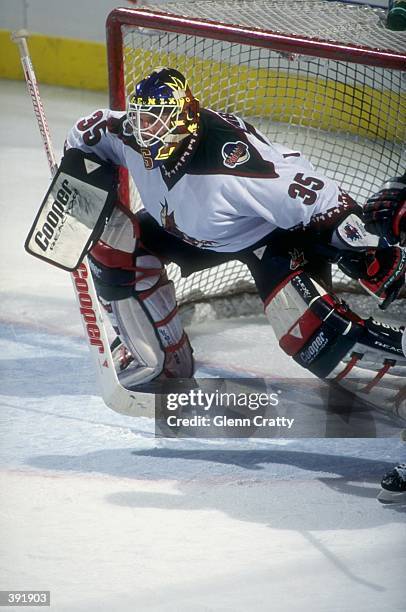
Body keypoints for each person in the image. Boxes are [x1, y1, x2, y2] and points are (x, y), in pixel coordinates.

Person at [64, 67, 406, 402]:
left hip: (270, 238)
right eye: (140, 118)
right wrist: (78, 174)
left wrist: (369, 252)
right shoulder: (129, 135)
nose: (142, 130)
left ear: (183, 117)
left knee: (317, 339)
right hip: (190, 232)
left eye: (155, 120)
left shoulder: (231, 165)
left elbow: (318, 196)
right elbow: (84, 135)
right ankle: (164, 360)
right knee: (114, 244)